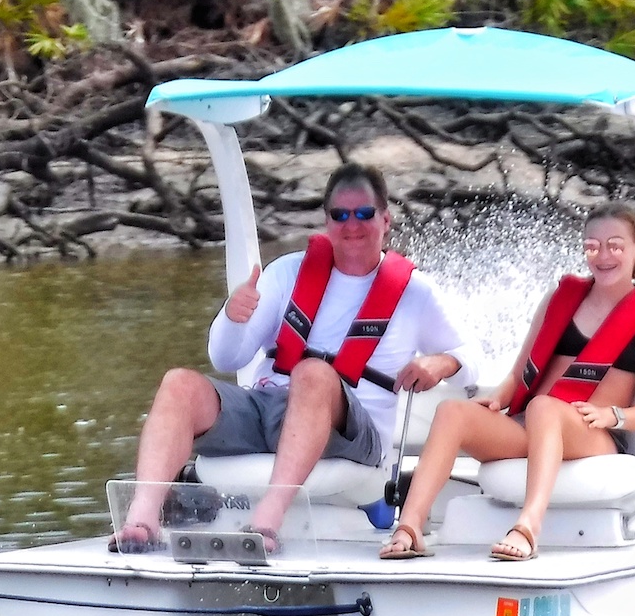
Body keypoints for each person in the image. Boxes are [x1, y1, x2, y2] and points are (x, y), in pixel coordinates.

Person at [115, 162, 478, 553]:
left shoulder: (416, 292)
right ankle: (142, 519)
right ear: (326, 222)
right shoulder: (286, 273)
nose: (351, 224)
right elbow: (226, 358)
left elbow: (470, 358)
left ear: (386, 219)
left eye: (363, 214)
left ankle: (266, 524)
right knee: (179, 383)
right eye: (339, 215)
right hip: (268, 407)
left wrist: (441, 363)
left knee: (313, 374)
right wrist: (232, 317)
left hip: (355, 432)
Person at [378, 202, 635, 562]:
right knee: (452, 412)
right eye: (593, 246)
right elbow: (521, 372)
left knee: (544, 407)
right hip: (535, 422)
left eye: (615, 245)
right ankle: (410, 527)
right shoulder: (559, 298)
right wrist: (497, 400)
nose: (603, 255)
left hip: (594, 433)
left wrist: (614, 416)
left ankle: (528, 528)